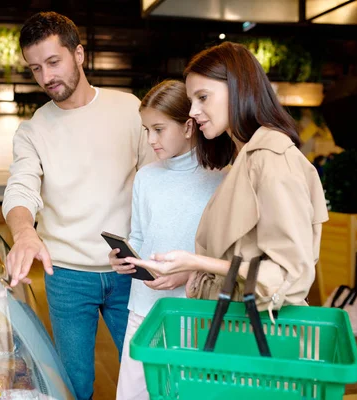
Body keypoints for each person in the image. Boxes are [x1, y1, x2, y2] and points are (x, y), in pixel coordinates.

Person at [1, 11, 155, 400]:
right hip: (66, 274)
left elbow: (157, 181)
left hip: (130, 267)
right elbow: (21, 188)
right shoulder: (32, 130)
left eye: (54, 62)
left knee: (147, 375)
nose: (46, 76)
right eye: (36, 68)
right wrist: (23, 233)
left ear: (79, 54)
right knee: (74, 384)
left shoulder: (128, 109)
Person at [126, 42, 329, 321]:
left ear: (238, 88)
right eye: (192, 99)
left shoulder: (271, 158)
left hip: (254, 331)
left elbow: (288, 273)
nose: (193, 111)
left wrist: (197, 262)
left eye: (203, 97)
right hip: (231, 324)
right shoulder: (243, 159)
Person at [108, 80, 225, 400]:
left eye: (158, 129)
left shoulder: (222, 177)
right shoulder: (145, 177)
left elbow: (226, 253)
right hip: (143, 308)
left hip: (195, 310)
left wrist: (190, 272)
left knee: (186, 392)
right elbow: (139, 236)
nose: (150, 139)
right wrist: (125, 259)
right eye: (146, 130)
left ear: (188, 126)